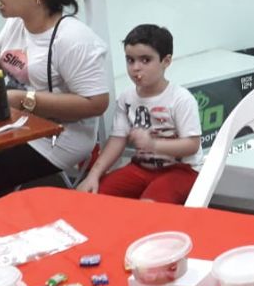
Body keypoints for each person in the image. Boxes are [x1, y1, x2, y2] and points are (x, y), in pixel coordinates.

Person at [0, 0, 109, 194]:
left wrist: (23, 100)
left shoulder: (72, 39)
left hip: (60, 137)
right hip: (18, 122)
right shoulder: (16, 22)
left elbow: (96, 103)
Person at [77, 25, 202, 203]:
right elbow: (117, 140)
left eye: (145, 60)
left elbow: (192, 145)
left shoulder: (181, 99)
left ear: (166, 61)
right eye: (130, 60)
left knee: (148, 207)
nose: (135, 68)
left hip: (182, 171)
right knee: (95, 197)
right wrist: (94, 175)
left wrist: (153, 144)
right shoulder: (126, 98)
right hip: (141, 168)